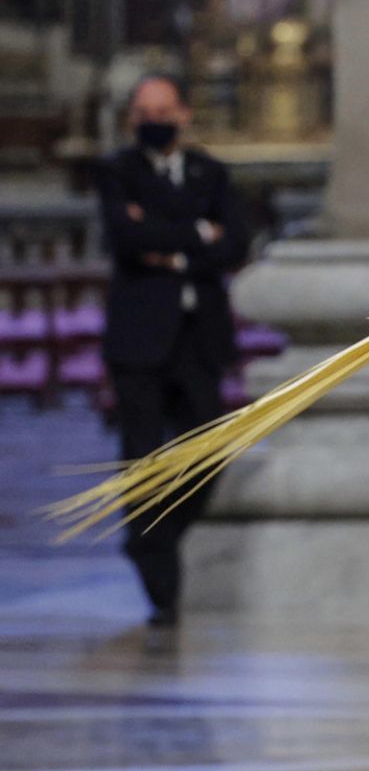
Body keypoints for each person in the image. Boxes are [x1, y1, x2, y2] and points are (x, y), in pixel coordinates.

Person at [96, 74, 249, 626]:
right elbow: (126, 238)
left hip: (197, 336)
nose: (152, 118)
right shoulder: (117, 171)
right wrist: (196, 232)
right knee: (140, 455)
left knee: (210, 448)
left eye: (163, 108)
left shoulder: (212, 171)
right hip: (139, 338)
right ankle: (160, 580)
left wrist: (169, 239)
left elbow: (238, 241)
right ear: (132, 118)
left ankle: (153, 538)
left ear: (184, 114)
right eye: (143, 111)